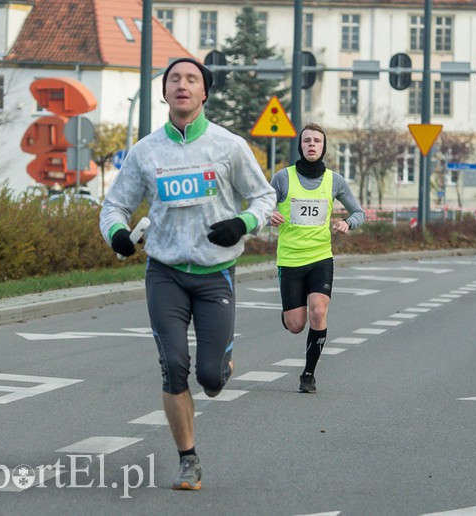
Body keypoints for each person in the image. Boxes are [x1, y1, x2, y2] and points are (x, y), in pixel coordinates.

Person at [99, 58, 276, 490]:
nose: (182, 85)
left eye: (191, 79)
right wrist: (118, 235)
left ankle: (221, 364)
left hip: (216, 274)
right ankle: (188, 459)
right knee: (173, 366)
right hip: (165, 273)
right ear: (164, 93)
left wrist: (244, 223)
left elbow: (265, 197)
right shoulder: (146, 152)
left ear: (204, 94)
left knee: (211, 379)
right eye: (173, 79)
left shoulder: (229, 147)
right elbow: (114, 207)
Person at [269, 123, 365, 393]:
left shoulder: (334, 181)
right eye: (307, 140)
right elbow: (260, 204)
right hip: (289, 259)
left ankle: (308, 375)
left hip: (321, 257)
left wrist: (347, 224)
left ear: (323, 147)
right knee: (296, 325)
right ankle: (289, 314)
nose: (312, 144)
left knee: (318, 312)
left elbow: (359, 212)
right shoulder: (282, 178)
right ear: (300, 145)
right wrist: (268, 215)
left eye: (317, 141)